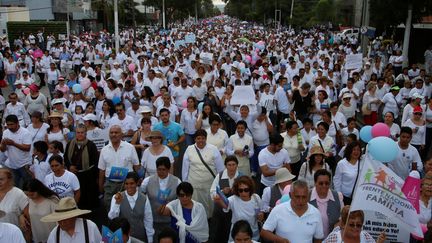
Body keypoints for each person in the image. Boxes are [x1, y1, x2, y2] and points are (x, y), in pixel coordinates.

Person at [182, 129, 224, 218]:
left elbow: (220, 169)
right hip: (194, 185)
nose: (200, 140)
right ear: (195, 139)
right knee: (195, 207)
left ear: (206, 138)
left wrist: (220, 184)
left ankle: (209, 223)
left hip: (209, 185)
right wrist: (185, 184)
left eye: (203, 138)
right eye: (198, 138)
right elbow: (185, 169)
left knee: (210, 208)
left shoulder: (213, 149)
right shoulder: (189, 149)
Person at [98, 125, 140, 209]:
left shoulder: (130, 147)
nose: (113, 134)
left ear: (121, 134)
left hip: (126, 184)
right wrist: (100, 186)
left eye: (116, 132)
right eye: (111, 132)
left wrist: (138, 183)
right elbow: (102, 170)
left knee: (126, 207)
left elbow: (136, 166)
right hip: (110, 184)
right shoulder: (104, 150)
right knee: (109, 207)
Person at [141, 157, 181, 242]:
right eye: (159, 169)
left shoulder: (177, 182)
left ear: (169, 169)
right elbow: (142, 197)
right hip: (152, 220)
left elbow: (180, 201)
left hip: (170, 221)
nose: (161, 172)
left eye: (164, 169)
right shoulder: (147, 181)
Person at [214, 175, 263, 242]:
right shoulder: (233, 199)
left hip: (252, 234)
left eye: (246, 190)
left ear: (250, 189)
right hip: (237, 236)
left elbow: (260, 215)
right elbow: (225, 206)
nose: (243, 193)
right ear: (237, 190)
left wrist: (260, 216)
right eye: (240, 190)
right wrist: (219, 201)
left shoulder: (256, 198)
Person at [108, 172, 154, 242]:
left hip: (140, 238)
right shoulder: (116, 197)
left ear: (137, 183)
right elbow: (112, 217)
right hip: (123, 238)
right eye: (126, 184)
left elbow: (148, 221)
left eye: (132, 183)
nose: (129, 186)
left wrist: (150, 240)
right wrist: (117, 204)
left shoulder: (144, 199)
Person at [64, 124, 99, 211]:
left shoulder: (91, 145)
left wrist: (94, 177)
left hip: (87, 175)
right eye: (78, 132)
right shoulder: (70, 144)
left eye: (82, 133)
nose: (80, 134)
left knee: (88, 195)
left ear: (86, 133)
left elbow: (95, 161)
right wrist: (70, 166)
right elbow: (65, 157)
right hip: (73, 174)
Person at [209, 155, 241, 243]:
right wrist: (222, 191)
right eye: (229, 165)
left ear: (237, 165)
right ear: (225, 166)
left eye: (233, 164)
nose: (231, 167)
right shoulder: (220, 175)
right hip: (219, 209)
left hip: (234, 209)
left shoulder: (241, 176)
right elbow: (212, 192)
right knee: (216, 231)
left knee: (230, 231)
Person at [0, 114, 33, 187]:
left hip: (24, 164)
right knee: (15, 187)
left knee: (28, 186)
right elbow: (3, 150)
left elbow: (27, 148)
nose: (10, 127)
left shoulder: (25, 132)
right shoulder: (6, 132)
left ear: (17, 123)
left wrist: (13, 143)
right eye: (8, 125)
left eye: (12, 124)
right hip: (12, 165)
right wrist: (3, 144)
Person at [310, 169, 343, 238]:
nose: (324, 186)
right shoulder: (306, 197)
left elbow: (343, 217)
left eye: (327, 183)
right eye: (321, 183)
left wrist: (338, 225)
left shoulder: (338, 196)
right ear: (315, 183)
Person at [153, 108, 185, 175]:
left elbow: (183, 137)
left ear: (169, 115)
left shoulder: (177, 126)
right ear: (160, 116)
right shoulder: (156, 127)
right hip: (160, 153)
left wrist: (175, 143)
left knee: (174, 171)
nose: (164, 117)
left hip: (174, 152)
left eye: (166, 115)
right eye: (162, 115)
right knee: (161, 171)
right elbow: (153, 138)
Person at [333, 141, 362, 205]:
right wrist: (339, 196)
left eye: (358, 150)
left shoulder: (363, 162)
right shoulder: (342, 163)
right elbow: (337, 181)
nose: (356, 152)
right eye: (354, 149)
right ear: (349, 150)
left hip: (359, 197)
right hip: (345, 198)